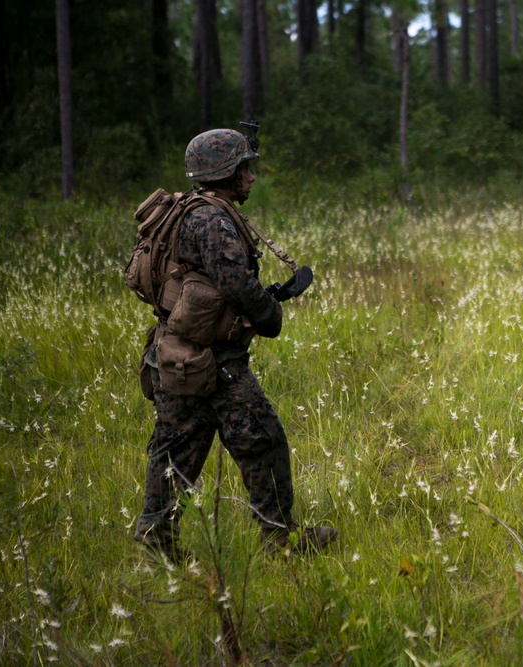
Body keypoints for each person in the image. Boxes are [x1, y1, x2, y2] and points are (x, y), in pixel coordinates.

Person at [133, 128, 336, 563]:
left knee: (174, 453)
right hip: (214, 361)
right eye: (245, 168)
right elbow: (235, 283)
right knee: (262, 441)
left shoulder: (193, 211)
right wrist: (269, 314)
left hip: (175, 355)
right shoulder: (212, 220)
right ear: (225, 172)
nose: (252, 177)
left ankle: (157, 541)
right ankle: (280, 540)